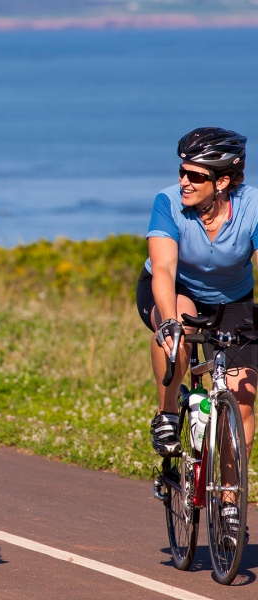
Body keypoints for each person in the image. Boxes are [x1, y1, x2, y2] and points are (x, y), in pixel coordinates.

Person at [137, 127, 256, 543]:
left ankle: (228, 497)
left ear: (222, 181)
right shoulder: (168, 202)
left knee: (241, 401)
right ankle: (168, 411)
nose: (184, 181)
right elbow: (164, 270)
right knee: (178, 331)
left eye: (196, 175)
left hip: (233, 301)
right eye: (183, 171)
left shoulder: (253, 206)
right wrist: (168, 320)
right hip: (176, 291)